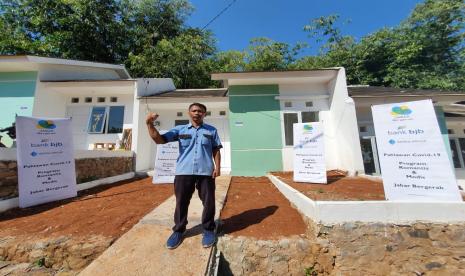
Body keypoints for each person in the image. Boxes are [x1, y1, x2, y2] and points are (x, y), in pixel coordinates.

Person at [146, 103, 222, 249]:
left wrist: (217, 167)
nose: (197, 113)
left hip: (205, 172)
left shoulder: (211, 130)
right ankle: (179, 231)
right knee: (181, 202)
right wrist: (149, 124)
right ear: (189, 113)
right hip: (183, 172)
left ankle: (208, 229)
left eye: (200, 111)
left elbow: (216, 150)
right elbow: (159, 140)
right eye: (194, 110)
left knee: (209, 202)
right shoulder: (179, 130)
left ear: (204, 114)